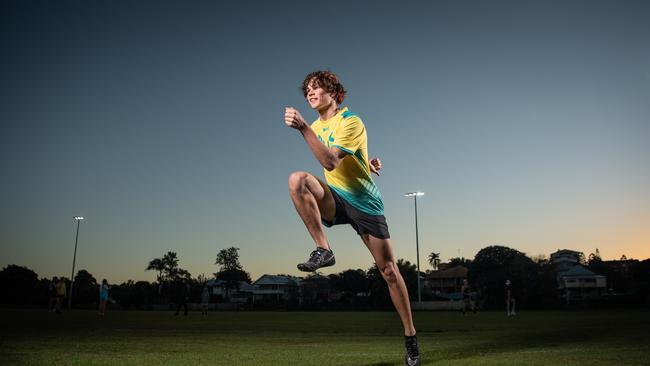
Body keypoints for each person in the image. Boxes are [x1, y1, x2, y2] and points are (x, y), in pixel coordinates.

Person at [284, 70, 420, 366]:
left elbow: (331, 160)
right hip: (335, 198)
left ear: (333, 91)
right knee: (297, 180)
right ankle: (324, 250)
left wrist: (304, 129)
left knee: (388, 272)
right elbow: (336, 163)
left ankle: (410, 335)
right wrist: (366, 162)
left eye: (316, 87)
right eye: (306, 89)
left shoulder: (351, 121)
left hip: (365, 204)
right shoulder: (319, 126)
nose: (309, 92)